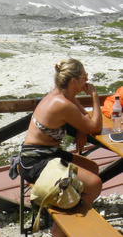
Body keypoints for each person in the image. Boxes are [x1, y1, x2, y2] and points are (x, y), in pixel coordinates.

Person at [15, 58, 103, 216]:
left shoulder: (61, 95)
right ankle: (69, 223)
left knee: (93, 169)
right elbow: (96, 126)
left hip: (47, 154)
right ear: (74, 81)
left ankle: (73, 204)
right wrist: (95, 95)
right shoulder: (61, 103)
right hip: (35, 162)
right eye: (85, 77)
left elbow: (83, 117)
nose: (87, 81)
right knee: (95, 184)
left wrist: (81, 130)